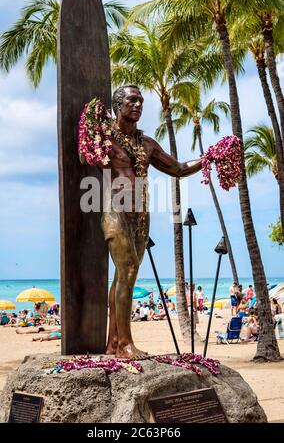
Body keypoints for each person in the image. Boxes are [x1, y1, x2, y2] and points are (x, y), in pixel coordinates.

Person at [81, 85, 202, 359]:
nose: (138, 105)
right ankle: (125, 344)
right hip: (115, 211)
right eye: (132, 100)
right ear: (118, 105)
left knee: (126, 276)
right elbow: (83, 156)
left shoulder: (147, 144)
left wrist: (208, 159)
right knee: (129, 269)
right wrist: (90, 129)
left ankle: (113, 344)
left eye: (141, 101)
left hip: (140, 216)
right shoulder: (104, 138)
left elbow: (178, 168)